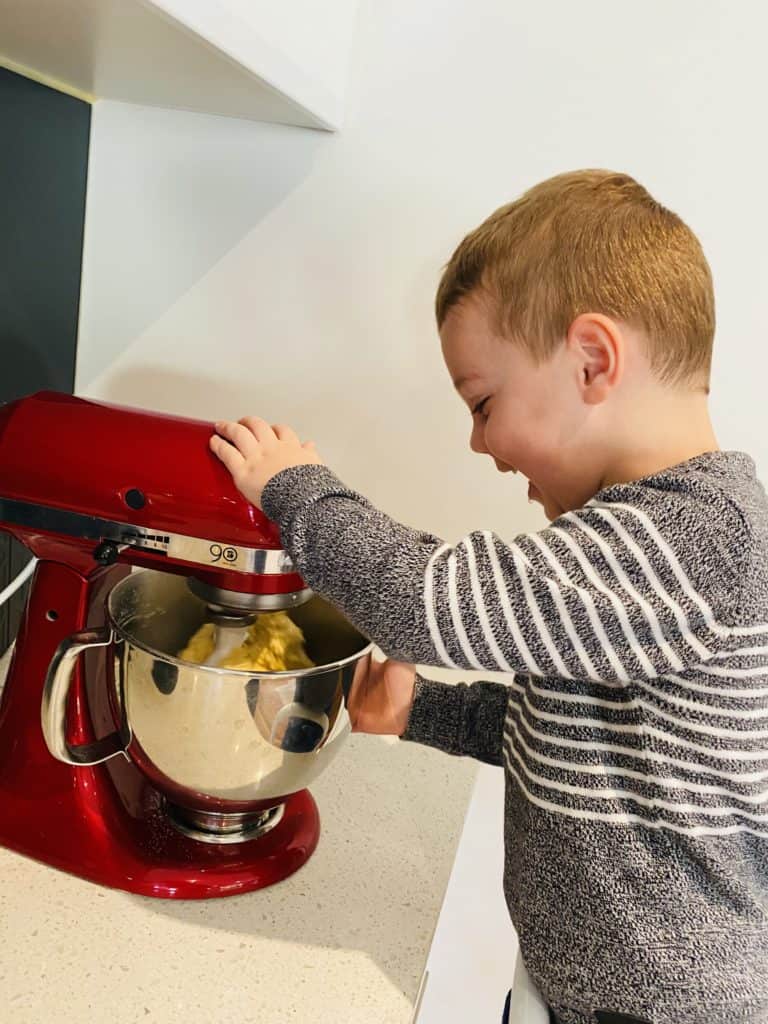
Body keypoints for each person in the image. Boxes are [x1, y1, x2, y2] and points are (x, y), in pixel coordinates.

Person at [210, 169, 768, 1024]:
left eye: (483, 402)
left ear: (592, 361)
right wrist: (419, 713)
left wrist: (293, 486)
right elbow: (581, 742)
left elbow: (419, 600)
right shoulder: (644, 551)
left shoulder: (692, 543)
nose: (479, 443)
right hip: (578, 991)